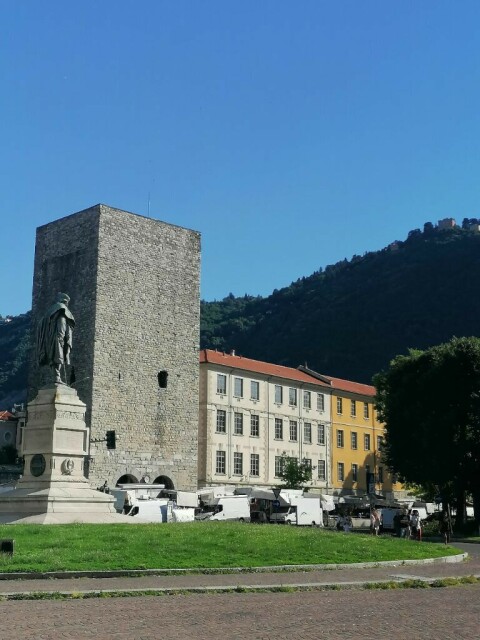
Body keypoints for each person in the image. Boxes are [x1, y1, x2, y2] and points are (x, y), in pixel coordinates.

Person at [37, 292, 75, 385]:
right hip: (57, 339)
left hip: (49, 339)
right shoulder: (62, 311)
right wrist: (62, 339)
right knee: (58, 357)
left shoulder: (50, 312)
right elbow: (61, 327)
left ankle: (56, 376)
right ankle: (57, 377)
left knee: (53, 357)